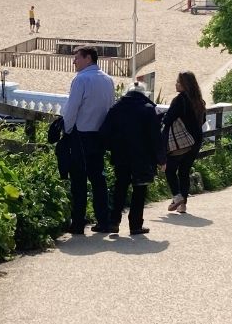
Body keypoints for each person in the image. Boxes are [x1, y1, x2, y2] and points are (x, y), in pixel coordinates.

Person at [60, 46, 116, 235]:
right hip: (100, 134)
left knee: (79, 180)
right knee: (98, 178)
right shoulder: (108, 80)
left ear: (88, 58)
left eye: (77, 57)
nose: (74, 61)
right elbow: (110, 107)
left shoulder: (81, 79)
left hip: (82, 134)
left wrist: (66, 131)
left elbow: (72, 109)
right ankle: (104, 220)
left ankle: (78, 222)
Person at [99, 85, 164, 234]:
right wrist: (161, 159)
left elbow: (104, 132)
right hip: (142, 157)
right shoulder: (148, 109)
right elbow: (156, 137)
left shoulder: (116, 108)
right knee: (139, 190)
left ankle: (114, 222)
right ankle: (135, 225)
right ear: (144, 94)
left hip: (121, 154)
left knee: (120, 187)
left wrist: (111, 147)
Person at [162, 71, 206, 214]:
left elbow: (168, 120)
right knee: (184, 171)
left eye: (179, 82)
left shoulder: (179, 100)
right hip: (196, 140)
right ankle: (183, 205)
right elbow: (203, 120)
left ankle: (177, 196)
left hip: (182, 142)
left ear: (185, 85)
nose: (176, 84)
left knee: (169, 170)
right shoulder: (199, 101)